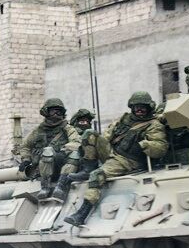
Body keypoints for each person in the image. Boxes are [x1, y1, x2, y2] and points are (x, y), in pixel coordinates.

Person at [64, 92, 168, 226]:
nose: (140, 110)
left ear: (149, 107)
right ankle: (87, 169)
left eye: (143, 107)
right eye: (137, 107)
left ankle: (81, 214)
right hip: (112, 152)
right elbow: (106, 136)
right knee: (89, 134)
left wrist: (144, 144)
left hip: (128, 160)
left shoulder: (154, 125)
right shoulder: (123, 120)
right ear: (132, 108)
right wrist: (97, 145)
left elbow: (161, 148)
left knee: (97, 175)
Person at [18, 98, 81, 198]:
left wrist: (64, 150)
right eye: (53, 110)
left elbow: (77, 142)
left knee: (75, 154)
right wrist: (26, 159)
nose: (57, 113)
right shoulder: (38, 130)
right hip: (43, 167)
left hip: (63, 165)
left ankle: (60, 186)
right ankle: (45, 188)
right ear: (46, 112)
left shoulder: (67, 128)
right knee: (47, 151)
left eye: (59, 111)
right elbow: (25, 146)